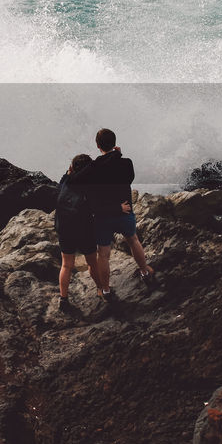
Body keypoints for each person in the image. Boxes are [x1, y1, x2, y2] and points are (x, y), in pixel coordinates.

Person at [71, 128, 155, 293]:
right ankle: (145, 272)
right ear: (115, 144)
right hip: (125, 212)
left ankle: (106, 289)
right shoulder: (126, 163)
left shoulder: (93, 168)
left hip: (103, 217)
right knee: (133, 240)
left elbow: (75, 180)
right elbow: (129, 178)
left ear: (97, 145)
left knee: (103, 254)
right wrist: (117, 155)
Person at [55, 154, 116, 314]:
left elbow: (60, 185)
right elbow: (99, 208)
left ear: (72, 168)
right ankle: (102, 288)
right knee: (92, 262)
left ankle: (63, 299)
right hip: (84, 230)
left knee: (66, 264)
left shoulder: (65, 182)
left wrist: (68, 172)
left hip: (64, 229)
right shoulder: (89, 188)